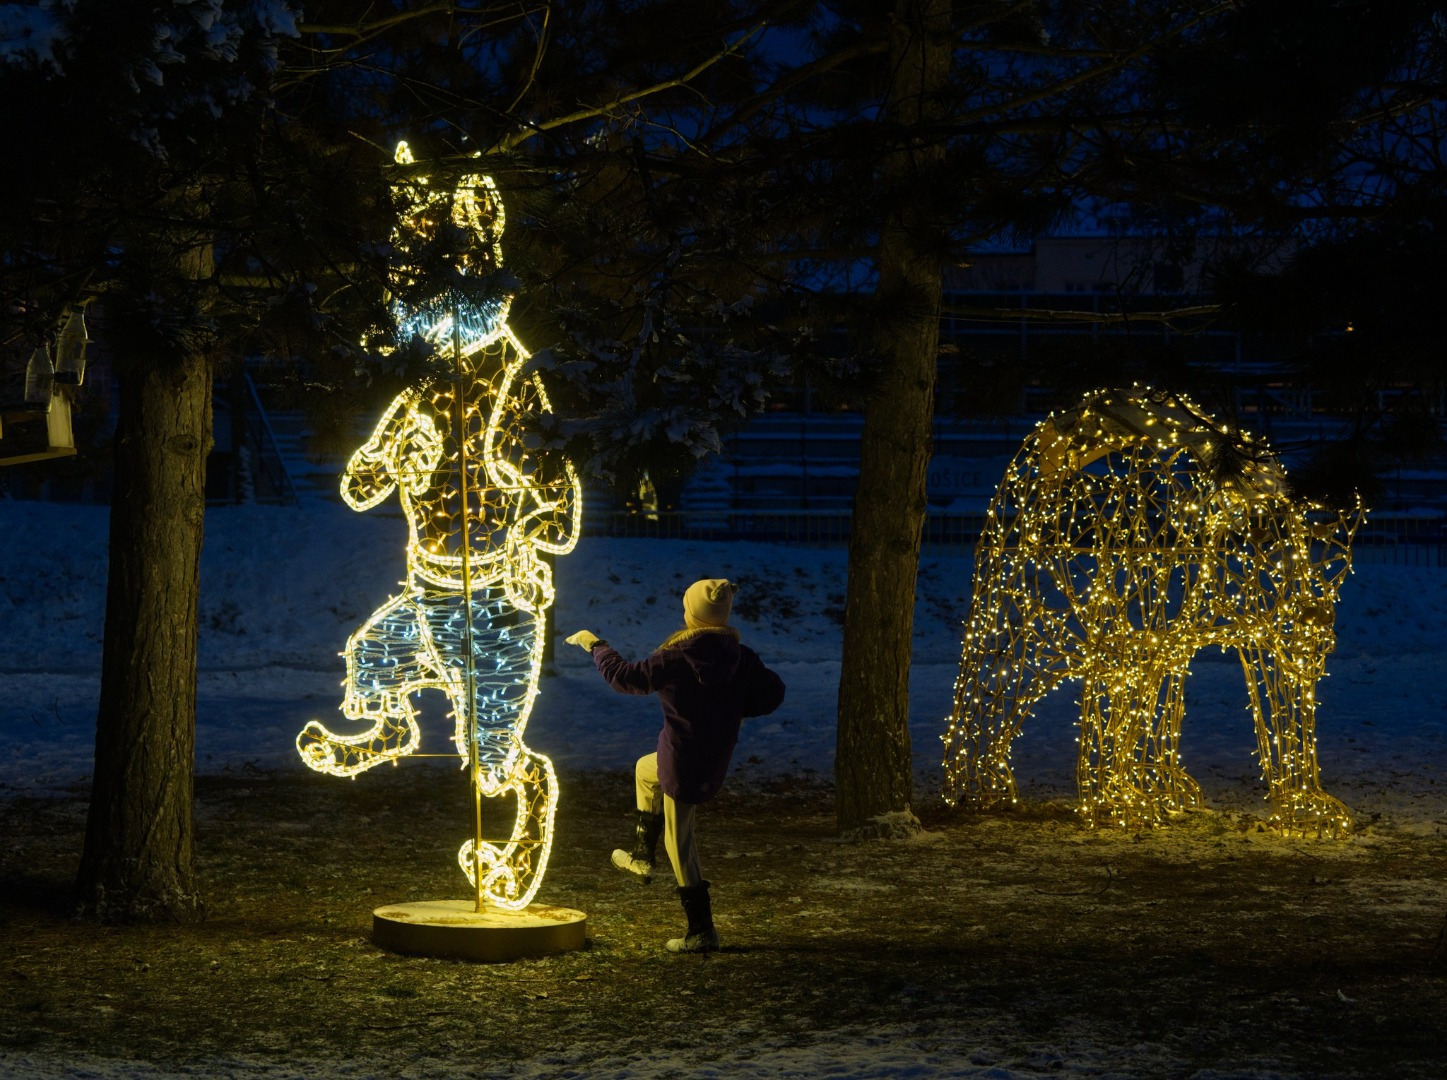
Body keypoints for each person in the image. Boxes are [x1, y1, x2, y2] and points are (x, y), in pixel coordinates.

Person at [566, 578, 786, 953]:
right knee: (644, 770)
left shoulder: (677, 657)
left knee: (680, 842)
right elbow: (773, 692)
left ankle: (701, 931)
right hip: (709, 756)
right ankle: (641, 857)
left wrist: (595, 644)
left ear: (692, 614)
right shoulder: (741, 656)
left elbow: (624, 678)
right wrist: (731, 711)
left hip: (683, 761)